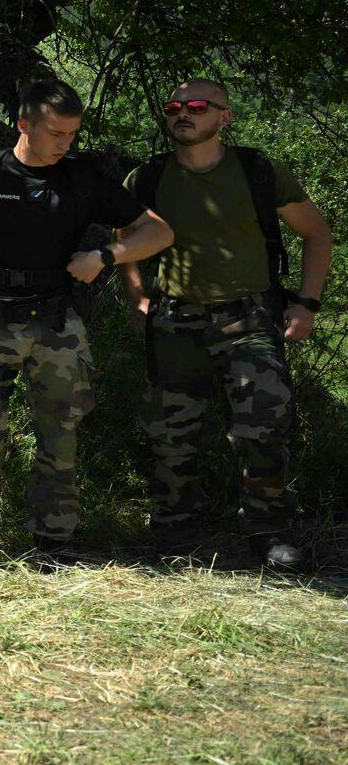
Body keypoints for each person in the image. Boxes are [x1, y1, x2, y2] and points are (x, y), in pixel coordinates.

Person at [0, 79, 172, 565]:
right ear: (24, 124)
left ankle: (55, 541)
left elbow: (159, 231)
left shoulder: (82, 177)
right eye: (56, 133)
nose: (65, 144)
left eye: (72, 135)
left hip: (58, 322)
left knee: (61, 434)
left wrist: (105, 255)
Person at [121, 78, 332, 571]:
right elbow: (124, 236)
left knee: (264, 427)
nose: (182, 114)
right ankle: (175, 534)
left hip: (250, 319)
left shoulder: (259, 172)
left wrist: (306, 305)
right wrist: (137, 297)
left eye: (197, 106)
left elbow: (317, 234)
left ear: (224, 117)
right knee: (172, 434)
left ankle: (268, 532)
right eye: (174, 106)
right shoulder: (148, 177)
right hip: (175, 321)